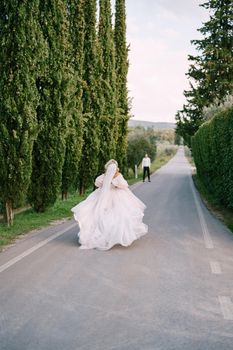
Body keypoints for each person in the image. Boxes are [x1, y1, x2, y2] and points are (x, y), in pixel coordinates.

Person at [71, 159, 148, 250]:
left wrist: (110, 182)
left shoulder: (105, 176)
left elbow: (98, 182)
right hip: (115, 196)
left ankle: (106, 235)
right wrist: (114, 183)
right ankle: (111, 235)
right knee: (117, 215)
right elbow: (124, 184)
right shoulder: (116, 176)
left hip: (105, 195)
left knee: (105, 215)